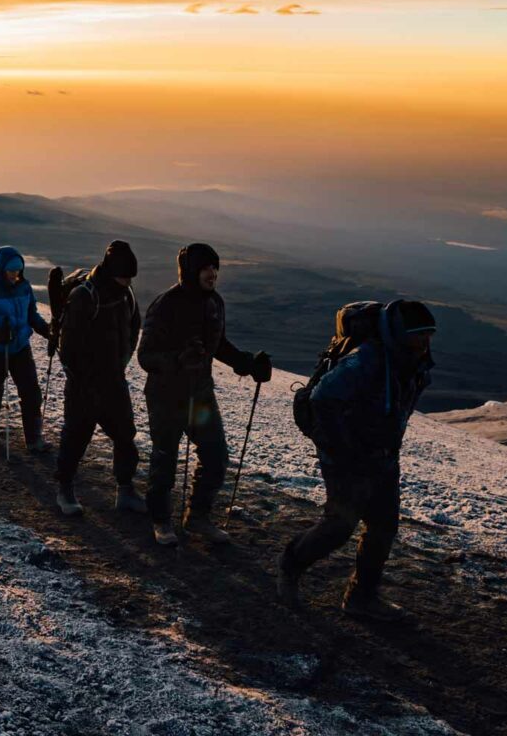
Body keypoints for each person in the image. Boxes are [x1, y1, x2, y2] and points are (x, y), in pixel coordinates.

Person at [278, 300, 436, 623]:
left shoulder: (410, 361)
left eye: (429, 335)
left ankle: (361, 598)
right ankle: (291, 564)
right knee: (340, 525)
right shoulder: (368, 359)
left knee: (383, 525)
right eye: (420, 335)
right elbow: (322, 398)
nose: (426, 342)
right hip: (348, 457)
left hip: (383, 456)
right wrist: (342, 449)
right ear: (400, 334)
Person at [136, 243, 272, 547]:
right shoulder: (166, 305)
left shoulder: (214, 303)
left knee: (215, 455)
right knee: (165, 459)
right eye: (206, 268)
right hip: (166, 396)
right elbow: (145, 356)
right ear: (190, 271)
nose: (213, 274)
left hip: (200, 394)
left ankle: (197, 517)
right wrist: (177, 361)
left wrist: (247, 364)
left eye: (216, 268)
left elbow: (218, 344)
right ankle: (160, 520)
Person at [55, 241, 147, 516]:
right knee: (76, 435)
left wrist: (122, 360)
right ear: (111, 271)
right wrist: (84, 377)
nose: (127, 281)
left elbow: (134, 326)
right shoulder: (85, 296)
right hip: (84, 383)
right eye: (124, 276)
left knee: (125, 435)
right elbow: (69, 346)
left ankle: (125, 489)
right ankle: (64, 488)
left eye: (130, 277)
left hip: (114, 380)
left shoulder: (125, 293)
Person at [0, 246, 53, 453]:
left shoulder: (24, 287)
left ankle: (34, 438)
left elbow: (31, 314)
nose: (15, 274)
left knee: (31, 392)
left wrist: (45, 329)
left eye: (18, 270)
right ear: (1, 269)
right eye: (11, 270)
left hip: (20, 348)